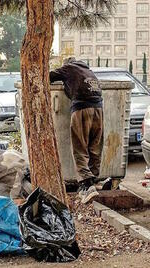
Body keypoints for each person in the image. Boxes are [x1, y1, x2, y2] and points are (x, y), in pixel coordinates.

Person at [50, 57, 103, 203]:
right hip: (99, 109)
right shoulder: (88, 71)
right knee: (95, 147)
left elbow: (48, 76)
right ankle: (94, 180)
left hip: (81, 108)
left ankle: (86, 185)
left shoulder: (68, 68)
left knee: (79, 147)